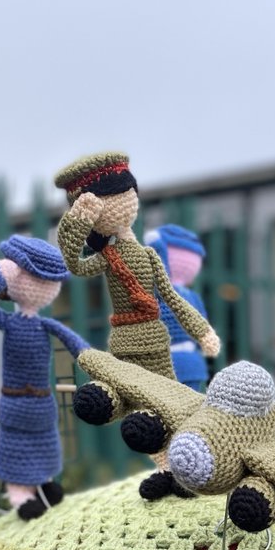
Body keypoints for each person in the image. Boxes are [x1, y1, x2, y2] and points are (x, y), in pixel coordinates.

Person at [54, 152, 220, 451]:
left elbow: (172, 298)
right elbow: (75, 265)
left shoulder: (148, 256)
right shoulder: (106, 257)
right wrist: (77, 223)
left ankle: (172, 465)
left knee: (169, 403)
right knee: (130, 399)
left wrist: (202, 330)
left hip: (155, 340)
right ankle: (106, 402)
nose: (125, 201)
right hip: (124, 340)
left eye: (127, 194)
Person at [0, 236, 89, 519]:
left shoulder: (45, 324)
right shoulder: (9, 322)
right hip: (16, 400)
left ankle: (43, 483)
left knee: (45, 440)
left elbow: (77, 346)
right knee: (15, 444)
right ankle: (19, 494)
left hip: (42, 402)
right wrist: (0, 273)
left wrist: (91, 359)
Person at [144, 224, 213, 391]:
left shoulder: (159, 291)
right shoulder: (192, 297)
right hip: (190, 361)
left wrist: (156, 244)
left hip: (169, 362)